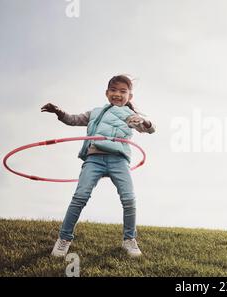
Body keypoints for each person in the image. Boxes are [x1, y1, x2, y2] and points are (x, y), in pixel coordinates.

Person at [41, 74, 155, 258]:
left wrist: (146, 122)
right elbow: (73, 119)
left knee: (129, 199)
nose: (117, 94)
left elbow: (148, 128)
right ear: (107, 93)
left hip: (118, 159)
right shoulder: (95, 113)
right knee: (80, 196)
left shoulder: (129, 116)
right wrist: (59, 112)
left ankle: (129, 240)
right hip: (94, 159)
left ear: (129, 96)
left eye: (122, 91)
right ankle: (64, 239)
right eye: (113, 90)